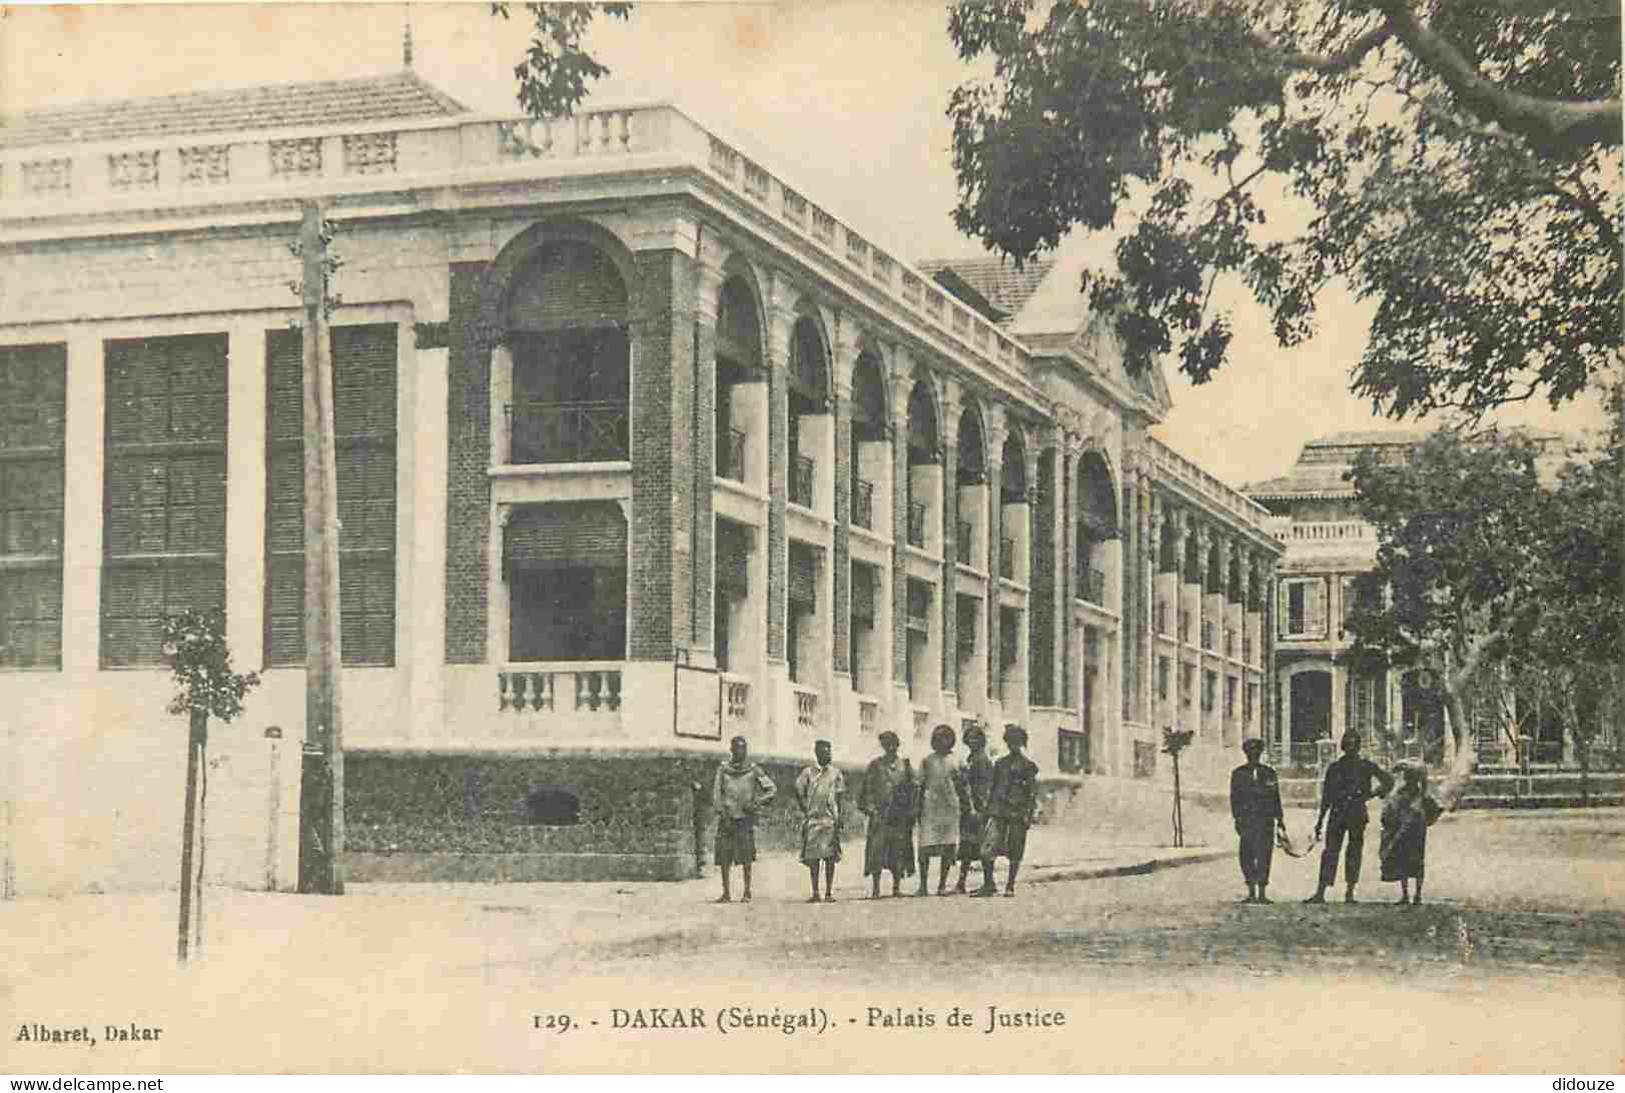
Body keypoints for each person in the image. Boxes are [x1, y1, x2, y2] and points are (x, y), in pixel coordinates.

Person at [1305, 732, 1395, 904]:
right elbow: (1327, 796)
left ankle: (1347, 892)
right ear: (1344, 747)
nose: (1351, 749)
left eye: (1353, 746)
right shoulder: (1336, 768)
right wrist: (1320, 821)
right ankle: (1324, 892)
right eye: (1348, 745)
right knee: (1332, 852)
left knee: (1350, 852)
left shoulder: (1363, 766)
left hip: (1354, 814)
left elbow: (1388, 781)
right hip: (1340, 814)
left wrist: (1372, 794)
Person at [972, 724, 1039, 898]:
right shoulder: (1000, 764)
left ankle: (1010, 885)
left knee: (1015, 849)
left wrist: (1028, 815)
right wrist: (987, 812)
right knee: (987, 849)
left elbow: (1031, 793)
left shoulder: (1028, 766)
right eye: (1011, 742)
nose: (1013, 745)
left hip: (1017, 812)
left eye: (1017, 742)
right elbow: (993, 788)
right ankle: (988, 884)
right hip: (998, 811)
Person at [712, 735, 777, 904]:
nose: (740, 751)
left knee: (746, 857)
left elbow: (771, 789)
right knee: (724, 857)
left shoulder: (753, 769)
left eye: (743, 748)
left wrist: (757, 803)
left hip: (745, 819)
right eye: (737, 748)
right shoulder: (723, 769)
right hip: (727, 818)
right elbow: (716, 793)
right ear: (731, 750)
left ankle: (747, 892)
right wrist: (721, 811)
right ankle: (726, 893)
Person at [858, 731, 916, 898]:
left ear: (898, 746)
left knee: (898, 850)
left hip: (899, 815)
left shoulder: (905, 765)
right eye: (887, 744)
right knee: (877, 851)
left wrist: (911, 809)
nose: (891, 748)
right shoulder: (875, 765)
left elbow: (914, 788)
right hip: (881, 815)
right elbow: (867, 789)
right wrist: (871, 808)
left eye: (893, 744)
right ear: (883, 746)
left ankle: (896, 888)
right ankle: (876, 888)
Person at [1229, 737, 1287, 904]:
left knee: (1264, 854)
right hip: (1247, 820)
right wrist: (1237, 818)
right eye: (1249, 752)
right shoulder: (1238, 774)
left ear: (1260, 753)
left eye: (1256, 752)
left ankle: (1262, 892)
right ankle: (1251, 892)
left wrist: (1280, 819)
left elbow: (1275, 797)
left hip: (1265, 820)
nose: (1253, 755)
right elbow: (1234, 798)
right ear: (1245, 753)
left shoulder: (1269, 772)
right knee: (1246, 855)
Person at [1380, 761, 1444, 906]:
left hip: (1410, 829)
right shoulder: (1418, 794)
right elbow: (1437, 808)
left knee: (1407, 861)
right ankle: (1415, 895)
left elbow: (1390, 810)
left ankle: (1408, 895)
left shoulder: (1411, 794)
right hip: (1414, 829)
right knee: (1414, 861)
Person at [915, 724, 968, 896]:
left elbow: (962, 786)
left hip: (950, 808)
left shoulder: (957, 760)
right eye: (938, 739)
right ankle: (923, 886)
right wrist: (917, 807)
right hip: (930, 807)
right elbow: (919, 785)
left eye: (946, 739)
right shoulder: (927, 761)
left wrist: (966, 806)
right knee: (925, 847)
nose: (942, 742)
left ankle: (942, 885)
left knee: (947, 847)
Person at [795, 739, 846, 903]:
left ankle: (829, 892)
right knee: (814, 858)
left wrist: (840, 816)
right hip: (813, 820)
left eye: (829, 751)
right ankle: (815, 891)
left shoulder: (836, 773)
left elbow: (840, 795)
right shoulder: (808, 772)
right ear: (817, 753)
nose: (827, 755)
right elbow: (798, 790)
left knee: (830, 857)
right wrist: (805, 808)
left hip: (830, 820)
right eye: (824, 752)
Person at [954, 723, 995, 894]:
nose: (971, 742)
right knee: (968, 847)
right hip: (970, 806)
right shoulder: (973, 758)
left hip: (978, 807)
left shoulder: (981, 760)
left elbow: (984, 786)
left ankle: (987, 882)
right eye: (969, 739)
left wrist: (980, 808)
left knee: (981, 847)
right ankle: (963, 883)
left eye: (975, 739)